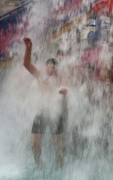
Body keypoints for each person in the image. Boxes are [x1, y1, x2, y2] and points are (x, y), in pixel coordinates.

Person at [23, 38, 68, 169]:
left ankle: (59, 169)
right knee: (35, 144)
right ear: (46, 68)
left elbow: (68, 91)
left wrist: (65, 93)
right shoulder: (40, 77)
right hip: (42, 113)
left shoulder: (61, 78)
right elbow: (26, 64)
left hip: (56, 114)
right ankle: (39, 167)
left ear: (57, 68)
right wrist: (28, 49)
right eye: (49, 66)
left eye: (54, 66)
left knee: (58, 149)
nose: (52, 68)